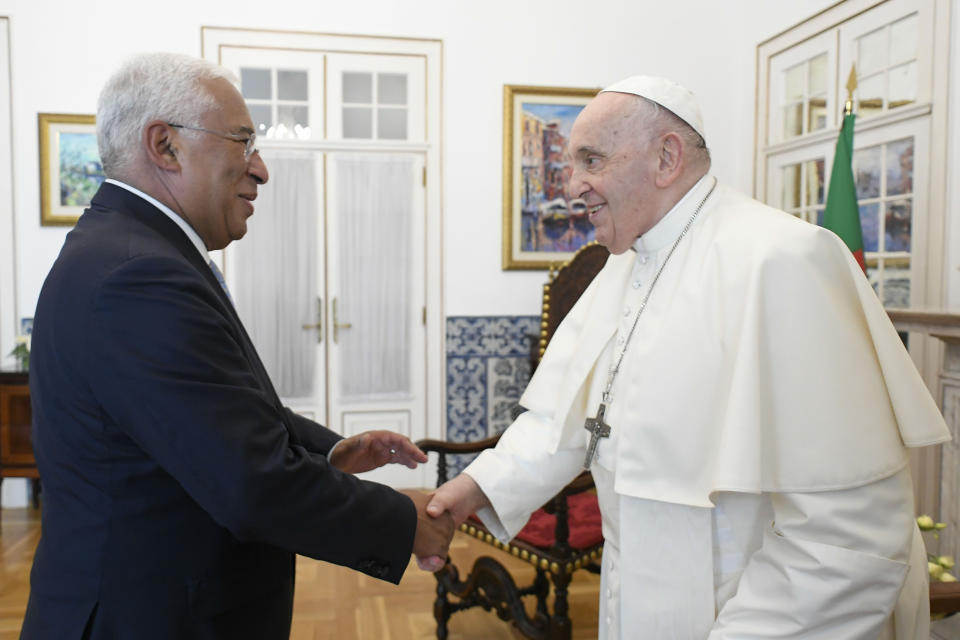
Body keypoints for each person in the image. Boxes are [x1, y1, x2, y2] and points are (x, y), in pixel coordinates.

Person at [425, 75, 951, 639]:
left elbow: (845, 539)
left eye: (592, 161)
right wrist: (473, 489)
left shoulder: (784, 261)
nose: (572, 185)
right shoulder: (625, 263)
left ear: (666, 157)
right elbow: (569, 418)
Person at [22, 52, 453, 640]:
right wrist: (408, 523)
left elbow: (216, 413)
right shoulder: (138, 275)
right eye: (243, 141)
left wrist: (326, 454)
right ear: (165, 146)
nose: (262, 169)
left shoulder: (130, 251)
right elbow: (251, 485)